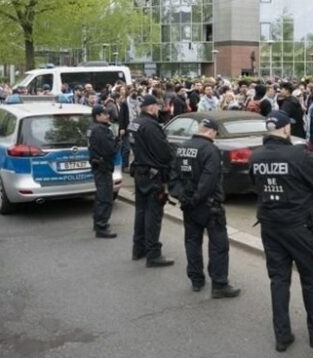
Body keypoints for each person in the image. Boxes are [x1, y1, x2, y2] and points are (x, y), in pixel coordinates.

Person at [248, 110, 313, 352]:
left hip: (270, 226)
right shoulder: (298, 155)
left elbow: (254, 185)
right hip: (298, 227)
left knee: (278, 279)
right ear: (286, 129)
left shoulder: (255, 157)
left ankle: (282, 335)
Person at [169, 118, 241, 298]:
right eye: (215, 134)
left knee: (192, 242)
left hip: (189, 205)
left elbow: (173, 176)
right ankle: (219, 284)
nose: (215, 137)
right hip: (209, 206)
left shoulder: (183, 147)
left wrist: (183, 197)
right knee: (218, 245)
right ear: (210, 131)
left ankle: (196, 280)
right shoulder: (210, 150)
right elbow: (208, 180)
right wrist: (195, 199)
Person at [130, 94, 175, 267]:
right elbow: (163, 152)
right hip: (152, 176)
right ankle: (153, 254)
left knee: (141, 212)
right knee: (153, 215)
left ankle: (138, 247)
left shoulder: (135, 123)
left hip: (141, 173)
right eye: (157, 106)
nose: (159, 109)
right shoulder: (151, 126)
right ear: (151, 107)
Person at [88, 105, 120, 238]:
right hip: (103, 166)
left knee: (101, 196)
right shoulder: (101, 130)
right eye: (104, 114)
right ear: (97, 116)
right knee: (105, 197)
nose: (107, 116)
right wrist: (118, 142)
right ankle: (101, 226)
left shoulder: (93, 128)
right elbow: (110, 149)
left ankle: (98, 223)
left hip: (98, 165)